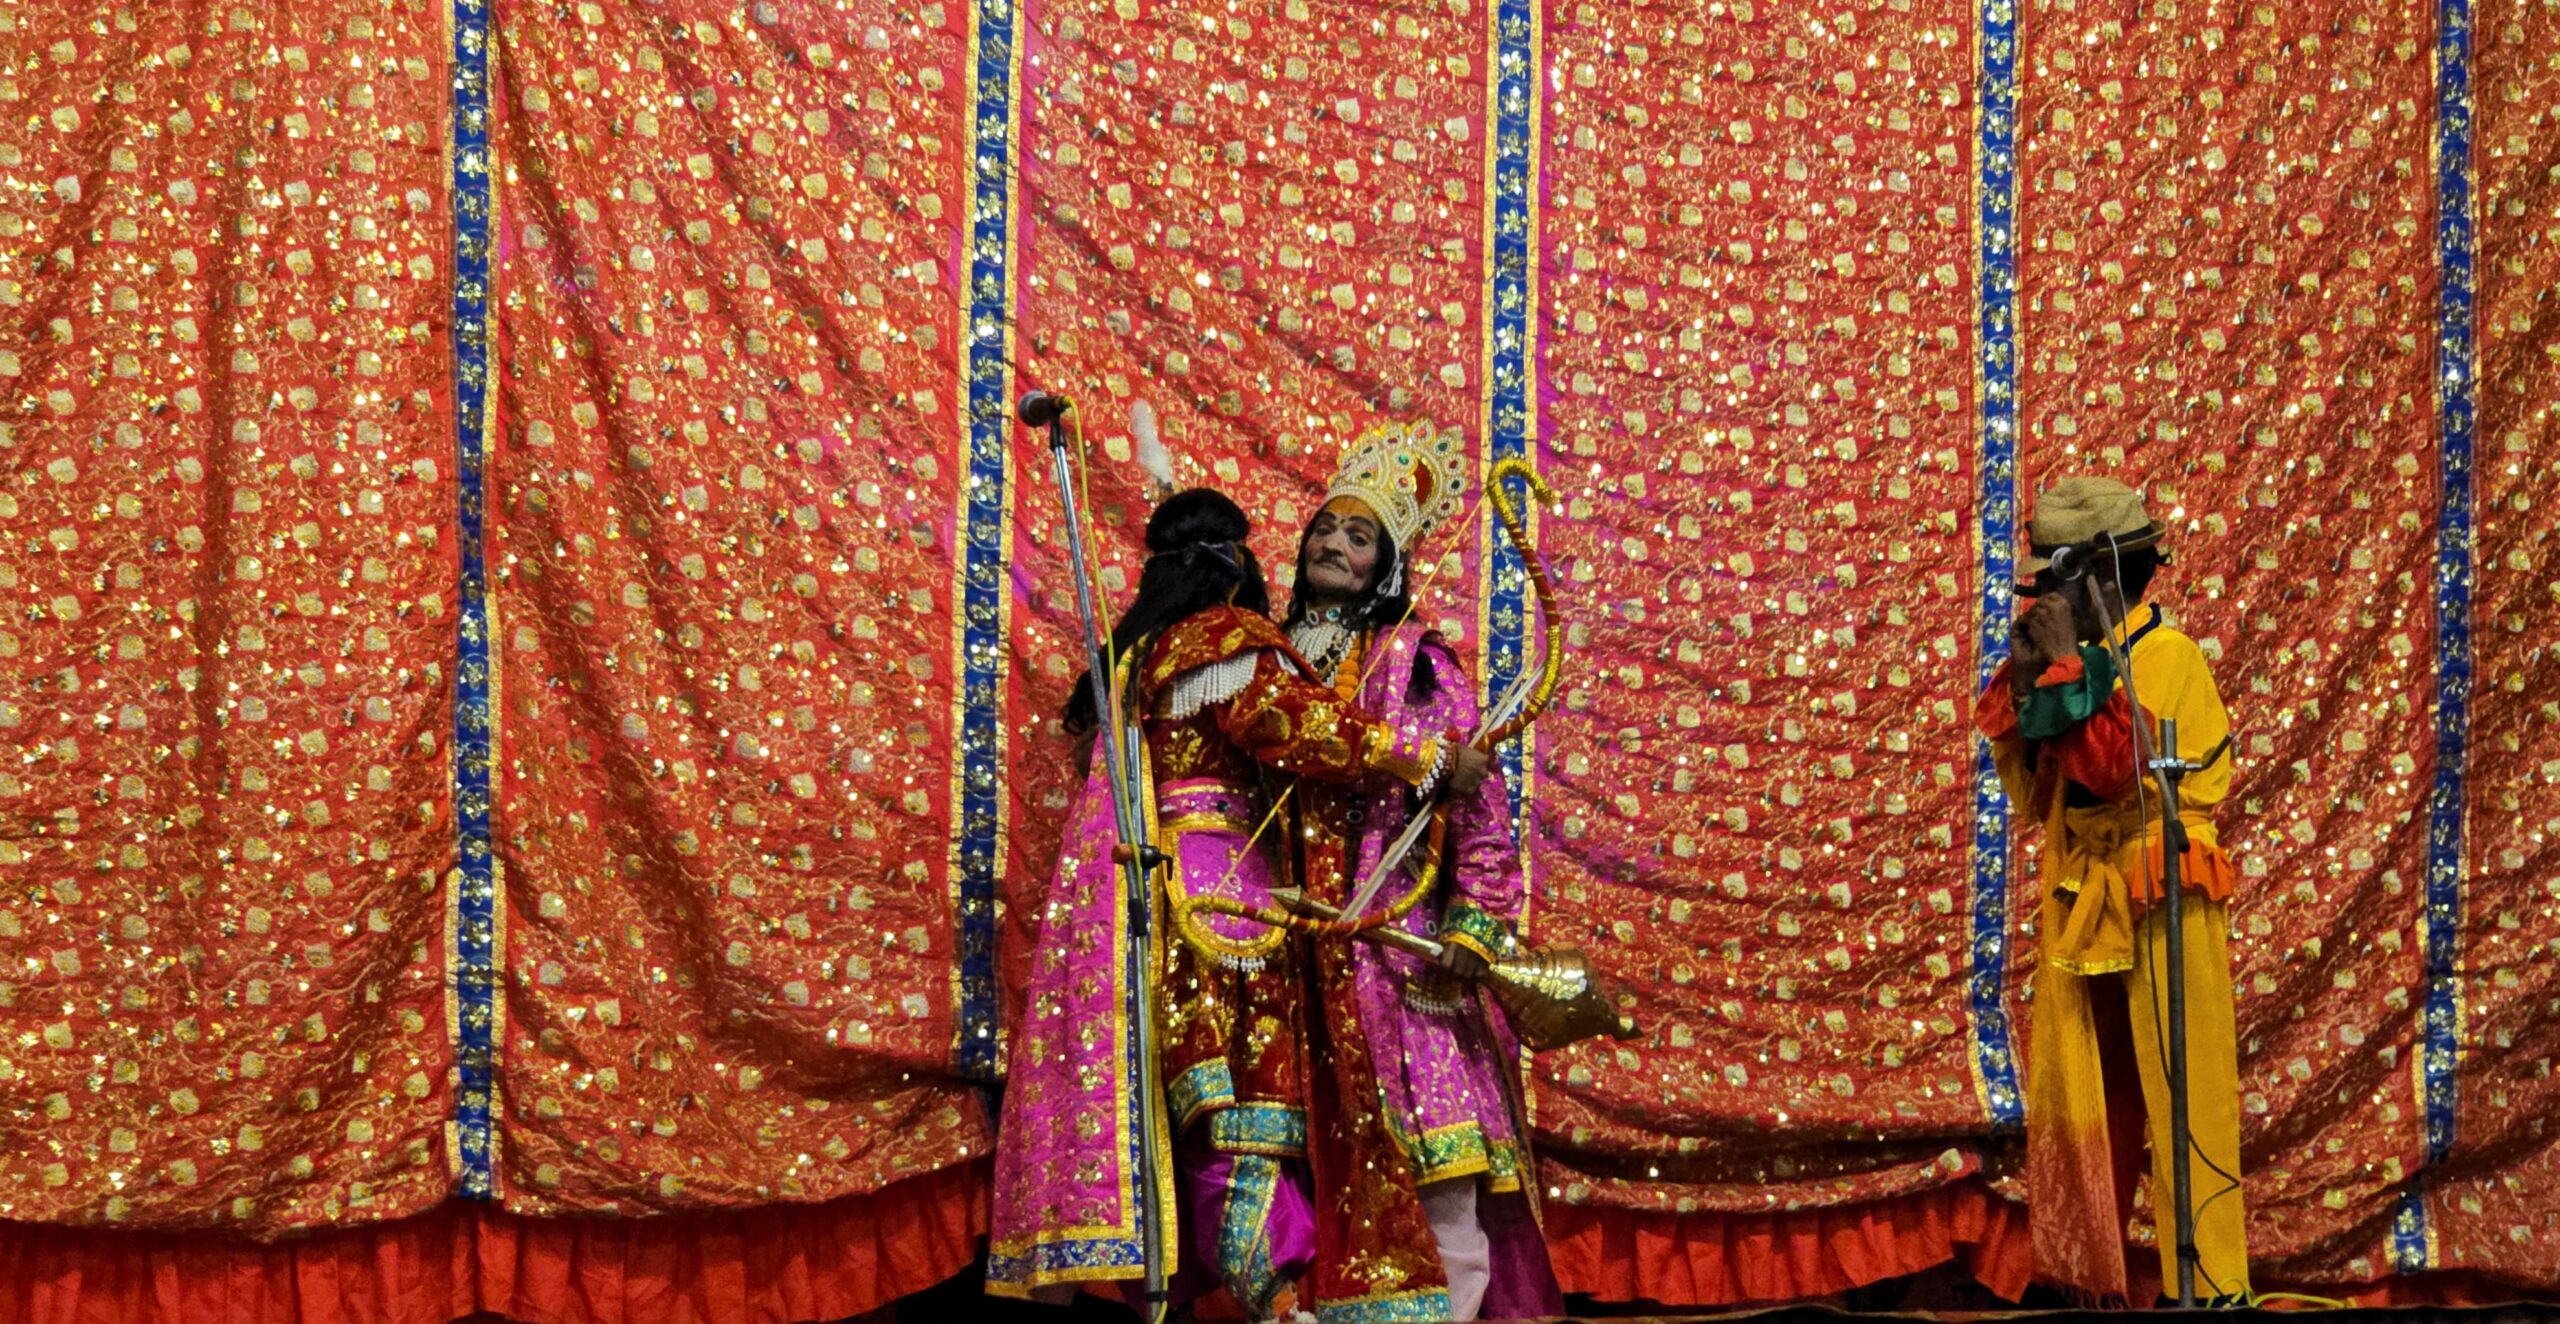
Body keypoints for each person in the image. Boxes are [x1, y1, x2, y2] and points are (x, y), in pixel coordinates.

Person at [989, 488, 1490, 1322]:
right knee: (1244, 1110)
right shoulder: (1223, 637)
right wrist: (1425, 757)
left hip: (1147, 900)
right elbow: (1293, 726)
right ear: (1235, 565)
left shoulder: (1132, 655)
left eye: (1356, 536)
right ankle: (1278, 1301)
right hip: (1223, 905)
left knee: (1183, 1115)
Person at [1279, 420, 1562, 1321]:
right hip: (1292, 937)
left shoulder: (1417, 659)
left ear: (1387, 565)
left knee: (1435, 1165)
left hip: (1394, 948)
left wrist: (1475, 925)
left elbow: (1477, 809)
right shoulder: (1267, 653)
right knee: (1306, 1169)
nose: (1334, 545)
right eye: (1326, 528)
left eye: (1359, 536)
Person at [1973, 477, 2250, 1303]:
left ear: (2097, 577)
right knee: (2095, 1094)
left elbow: (2117, 773)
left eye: (2051, 582)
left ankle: (2209, 1290)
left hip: (2161, 884)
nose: (2040, 599)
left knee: (2185, 1093)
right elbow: (2038, 797)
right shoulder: (2083, 660)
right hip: (2087, 895)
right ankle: (2089, 1280)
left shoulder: (2167, 657)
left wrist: (2066, 671)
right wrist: (2033, 685)